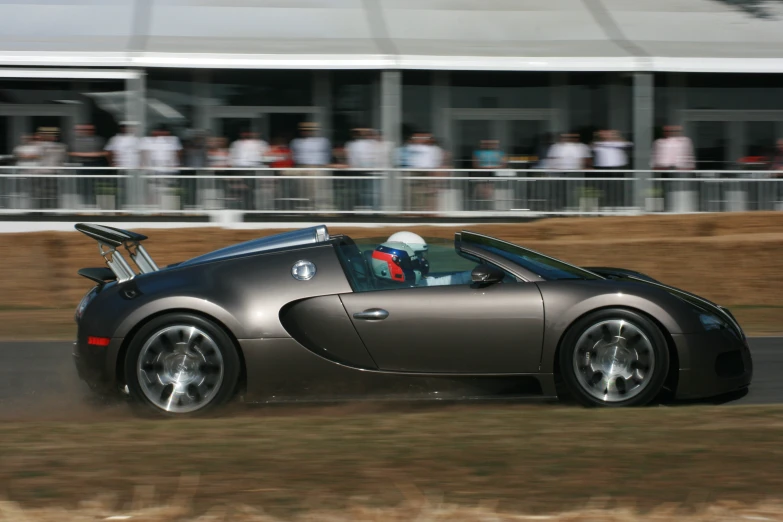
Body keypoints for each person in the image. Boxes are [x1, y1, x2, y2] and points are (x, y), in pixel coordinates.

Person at [371, 231, 473, 287]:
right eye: (416, 257)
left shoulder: (410, 284)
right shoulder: (398, 291)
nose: (422, 261)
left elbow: (437, 283)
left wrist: (470, 275)